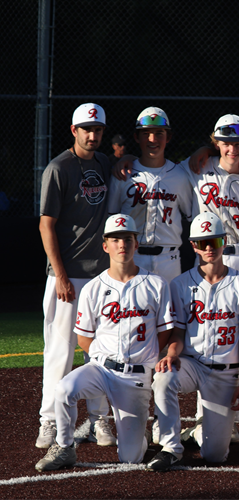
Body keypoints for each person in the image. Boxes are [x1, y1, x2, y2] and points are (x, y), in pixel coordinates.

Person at [35, 214, 173, 471]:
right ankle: (65, 447)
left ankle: (138, 434)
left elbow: (164, 331)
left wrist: (146, 354)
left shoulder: (156, 284)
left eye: (128, 239)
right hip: (101, 370)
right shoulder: (93, 288)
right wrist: (103, 358)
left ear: (136, 244)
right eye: (116, 239)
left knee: (130, 457)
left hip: (135, 377)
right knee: (65, 389)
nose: (122, 245)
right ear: (105, 245)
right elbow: (84, 336)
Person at [147, 213, 239, 471]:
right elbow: (178, 332)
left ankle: (197, 432)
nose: (209, 248)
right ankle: (171, 447)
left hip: (225, 372)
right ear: (193, 245)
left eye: (214, 241)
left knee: (215, 456)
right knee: (163, 377)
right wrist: (172, 354)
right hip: (192, 364)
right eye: (202, 242)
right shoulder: (180, 284)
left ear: (224, 241)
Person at [37, 103, 113, 450]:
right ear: (74, 130)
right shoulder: (59, 168)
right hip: (66, 278)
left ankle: (100, 420)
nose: (92, 135)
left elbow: (124, 166)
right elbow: (46, 225)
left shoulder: (104, 164)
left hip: (99, 278)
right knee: (60, 352)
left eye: (97, 129)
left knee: (97, 353)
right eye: (87, 129)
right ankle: (49, 422)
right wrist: (61, 275)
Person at [107, 107, 195, 283]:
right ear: (136, 137)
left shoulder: (180, 175)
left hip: (169, 259)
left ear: (168, 137)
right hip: (132, 257)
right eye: (146, 133)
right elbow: (112, 217)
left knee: (171, 310)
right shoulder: (124, 174)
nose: (152, 139)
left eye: (159, 133)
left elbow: (190, 215)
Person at [183, 114, 239, 286]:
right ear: (216, 144)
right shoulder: (197, 168)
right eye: (226, 144)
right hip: (207, 255)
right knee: (207, 311)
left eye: (238, 144)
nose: (232, 149)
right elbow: (161, 168)